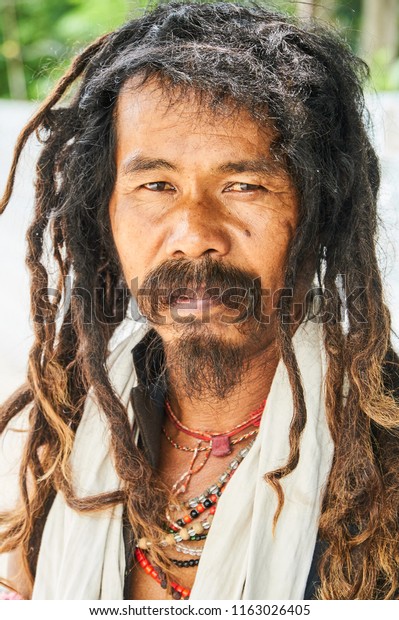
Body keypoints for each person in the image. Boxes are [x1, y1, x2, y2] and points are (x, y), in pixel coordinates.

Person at [1, 0, 399, 601]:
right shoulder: (49, 444)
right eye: (156, 186)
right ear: (104, 209)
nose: (194, 234)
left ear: (319, 214)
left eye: (243, 186)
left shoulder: (384, 457)